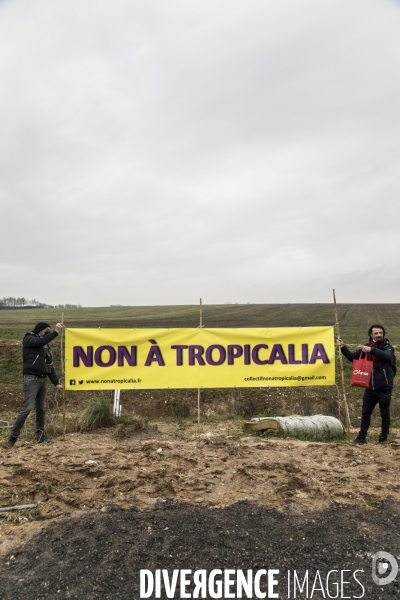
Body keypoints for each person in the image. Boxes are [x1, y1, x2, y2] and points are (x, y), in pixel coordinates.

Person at [8, 322, 63, 447]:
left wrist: (56, 383)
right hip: (31, 379)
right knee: (27, 408)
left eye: (49, 331)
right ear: (41, 329)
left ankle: (40, 435)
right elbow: (40, 342)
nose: (47, 332)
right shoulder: (29, 338)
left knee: (41, 409)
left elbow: (50, 366)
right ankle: (13, 437)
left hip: (43, 379)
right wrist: (55, 332)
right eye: (46, 330)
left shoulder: (45, 347)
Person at [337, 324, 395, 444]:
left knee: (384, 413)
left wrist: (372, 350)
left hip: (384, 387)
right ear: (371, 334)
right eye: (376, 333)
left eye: (380, 333)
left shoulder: (387, 347)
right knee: (365, 413)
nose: (379, 335)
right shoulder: (367, 347)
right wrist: (343, 347)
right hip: (369, 387)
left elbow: (386, 356)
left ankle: (383, 438)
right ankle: (361, 438)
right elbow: (353, 358)